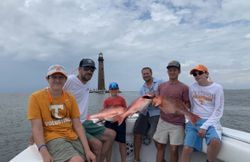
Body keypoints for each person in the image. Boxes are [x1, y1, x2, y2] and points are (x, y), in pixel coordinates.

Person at [27, 64, 96, 162]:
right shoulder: (35, 98)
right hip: (52, 137)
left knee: (90, 156)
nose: (57, 80)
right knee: (77, 160)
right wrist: (44, 152)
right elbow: (36, 128)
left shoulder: (70, 97)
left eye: (61, 77)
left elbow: (78, 125)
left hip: (72, 136)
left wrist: (88, 150)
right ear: (47, 79)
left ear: (65, 80)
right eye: (54, 77)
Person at [63, 58, 116, 162]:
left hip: (84, 121)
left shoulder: (88, 83)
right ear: (79, 69)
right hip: (72, 123)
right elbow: (52, 93)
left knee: (112, 134)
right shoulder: (70, 80)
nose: (89, 71)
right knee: (97, 145)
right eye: (86, 68)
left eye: (92, 70)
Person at [181, 64, 224, 162]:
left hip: (210, 121)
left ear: (206, 74)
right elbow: (192, 106)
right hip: (194, 120)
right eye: (194, 74)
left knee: (215, 142)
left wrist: (204, 127)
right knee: (187, 149)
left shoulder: (217, 88)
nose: (197, 75)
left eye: (200, 73)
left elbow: (218, 111)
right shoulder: (192, 87)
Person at [153, 60, 189, 162]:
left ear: (179, 72)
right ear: (167, 72)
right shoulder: (161, 86)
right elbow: (157, 100)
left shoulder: (184, 88)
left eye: (174, 70)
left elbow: (187, 103)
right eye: (170, 70)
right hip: (163, 120)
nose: (172, 72)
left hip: (177, 123)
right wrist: (154, 103)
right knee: (159, 146)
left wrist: (181, 110)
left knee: (174, 149)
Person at [133, 67, 162, 162]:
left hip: (156, 112)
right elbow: (142, 104)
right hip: (145, 112)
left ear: (151, 73)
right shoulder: (142, 89)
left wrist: (155, 94)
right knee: (137, 132)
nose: (145, 75)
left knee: (156, 136)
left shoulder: (160, 82)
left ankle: (161, 159)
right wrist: (136, 109)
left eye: (147, 73)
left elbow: (166, 93)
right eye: (144, 74)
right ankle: (136, 159)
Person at [102, 82, 127, 162]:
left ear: (118, 89)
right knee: (109, 144)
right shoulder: (106, 101)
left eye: (115, 89)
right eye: (112, 89)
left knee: (122, 143)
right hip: (109, 123)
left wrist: (122, 117)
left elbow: (125, 110)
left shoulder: (122, 99)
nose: (114, 90)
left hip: (120, 122)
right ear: (109, 90)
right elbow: (104, 112)